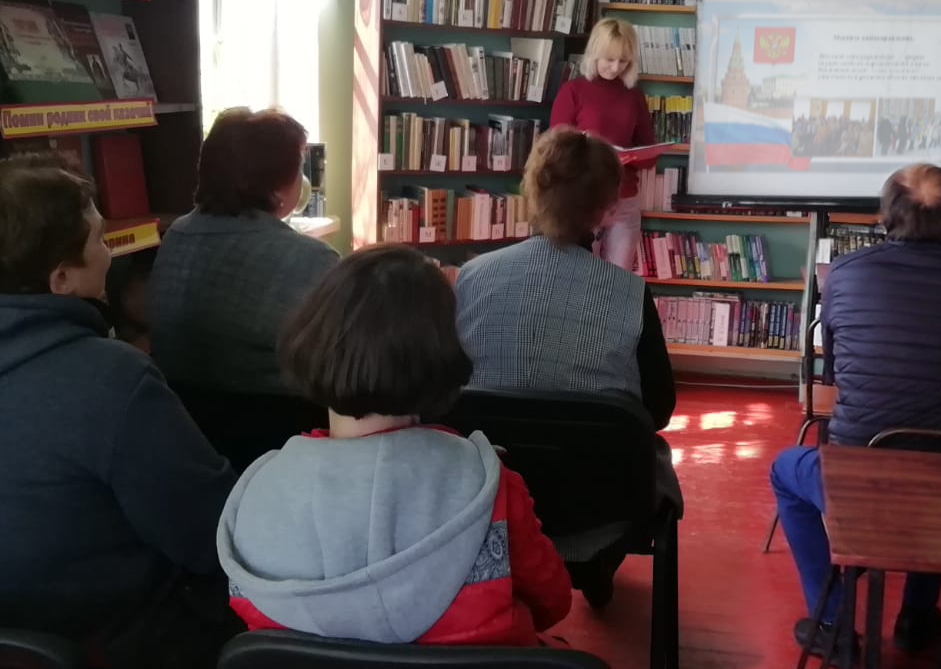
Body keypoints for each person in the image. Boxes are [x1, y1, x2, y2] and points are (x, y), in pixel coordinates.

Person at [0, 154, 238, 667]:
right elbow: (212, 536)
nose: (110, 254)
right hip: (83, 649)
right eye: (100, 240)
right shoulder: (110, 378)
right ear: (60, 279)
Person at [218, 244, 572, 646]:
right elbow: (553, 602)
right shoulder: (489, 485)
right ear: (441, 353)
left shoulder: (254, 495)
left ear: (310, 337)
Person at [771, 164, 941, 659]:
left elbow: (836, 369)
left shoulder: (845, 274)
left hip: (857, 479)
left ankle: (833, 621)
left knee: (785, 470)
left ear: (884, 216)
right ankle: (916, 617)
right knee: (934, 471)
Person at [453, 125, 678, 605]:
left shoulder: (472, 277)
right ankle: (590, 563)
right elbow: (658, 410)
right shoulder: (629, 294)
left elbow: (448, 380)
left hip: (489, 488)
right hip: (601, 501)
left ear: (532, 190)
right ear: (607, 206)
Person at [149, 108, 338, 465]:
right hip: (285, 445)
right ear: (278, 184)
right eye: (298, 167)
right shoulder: (313, 260)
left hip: (187, 441)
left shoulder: (177, 236)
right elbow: (347, 367)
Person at [549, 18, 656, 271]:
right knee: (580, 274)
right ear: (594, 53)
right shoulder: (573, 91)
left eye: (623, 61)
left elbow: (649, 151)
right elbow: (556, 150)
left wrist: (635, 156)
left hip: (624, 198)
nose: (616, 67)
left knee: (618, 279)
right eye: (609, 59)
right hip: (584, 196)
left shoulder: (633, 95)